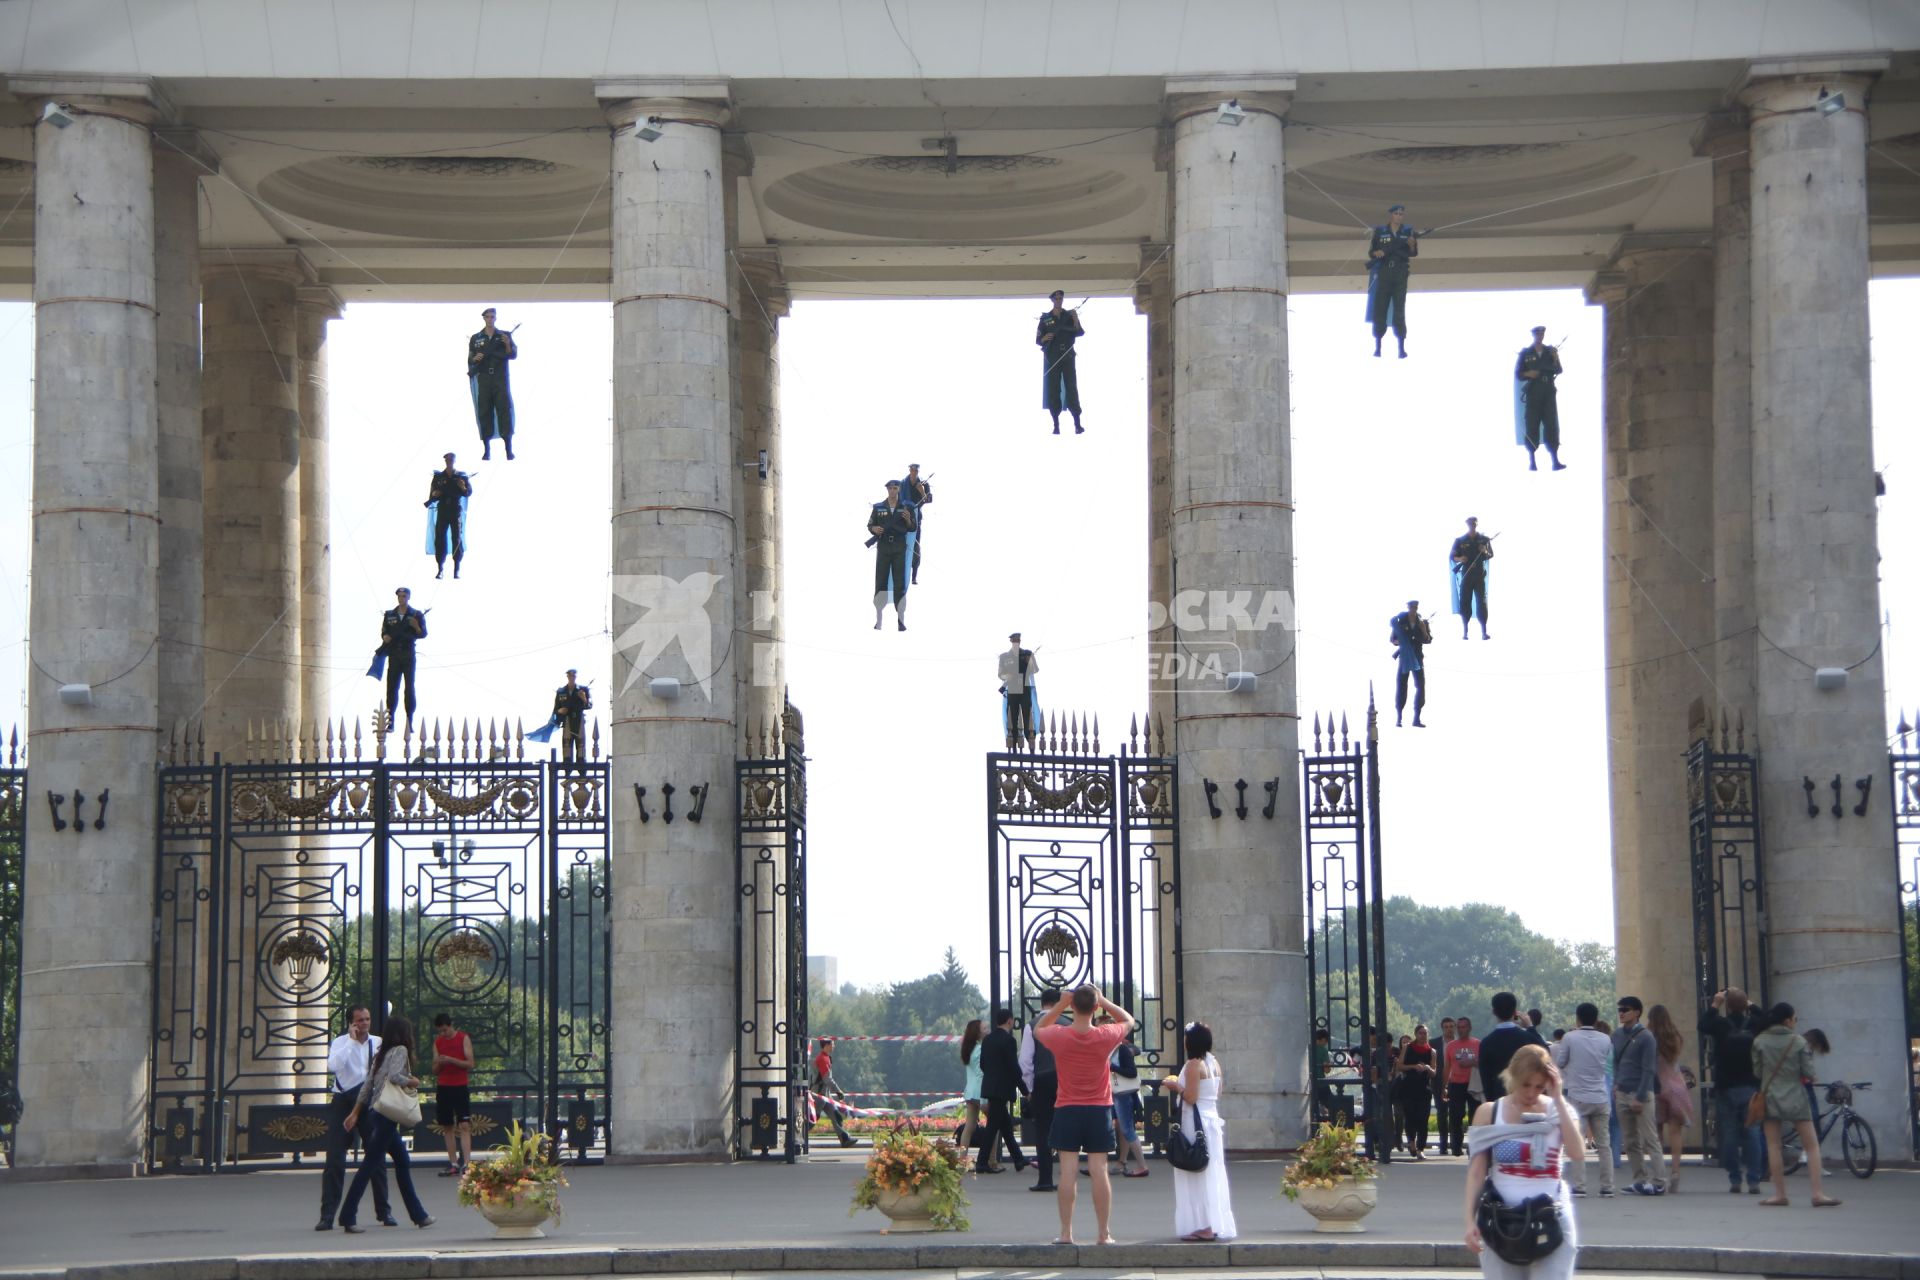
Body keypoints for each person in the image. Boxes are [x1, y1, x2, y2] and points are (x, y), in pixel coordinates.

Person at [1463, 1044, 1583, 1280]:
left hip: (1550, 1216)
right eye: (1526, 1084)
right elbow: (1476, 1173)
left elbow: (1577, 1152)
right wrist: (1469, 1220)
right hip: (1501, 1219)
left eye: (1539, 1086)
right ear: (1513, 1076)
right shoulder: (1489, 1112)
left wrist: (1557, 1098)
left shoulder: (1559, 1110)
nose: (1531, 1092)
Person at [1032, 985, 1135, 1245]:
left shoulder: (1060, 1036)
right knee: (1099, 1170)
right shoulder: (1104, 1035)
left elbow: (1038, 1029)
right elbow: (1129, 1020)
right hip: (1099, 1108)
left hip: (1067, 1108)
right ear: (1095, 1007)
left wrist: (1059, 1004)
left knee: (1068, 1173)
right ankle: (1104, 1233)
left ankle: (1066, 1233)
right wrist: (1105, 1001)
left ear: (1072, 1006)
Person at [339, 1015, 434, 1231]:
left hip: (376, 1111)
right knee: (370, 1165)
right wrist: (413, 1081)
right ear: (403, 1034)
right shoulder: (400, 1050)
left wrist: (355, 1113)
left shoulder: (380, 1054)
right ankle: (348, 1215)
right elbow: (395, 1077)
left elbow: (367, 1086)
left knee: (401, 1160)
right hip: (387, 1116)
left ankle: (419, 1214)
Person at [1752, 1003, 1840, 1208]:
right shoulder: (1798, 1041)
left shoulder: (1759, 1041)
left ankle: (1780, 1194)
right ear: (1787, 1021)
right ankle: (1818, 1194)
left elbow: (1757, 1072)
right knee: (1811, 1145)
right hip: (1796, 1097)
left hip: (1770, 1096)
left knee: (1774, 1145)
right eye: (1795, 1018)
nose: (1795, 1022)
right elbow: (1809, 1073)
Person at [317, 1005, 391, 1231]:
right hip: (343, 1102)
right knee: (335, 1160)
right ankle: (327, 1215)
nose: (364, 1024)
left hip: (368, 1104)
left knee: (376, 1157)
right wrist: (351, 1041)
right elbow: (333, 1067)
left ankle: (384, 1212)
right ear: (351, 1023)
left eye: (367, 1019)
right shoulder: (340, 1043)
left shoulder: (377, 1043)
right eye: (359, 1020)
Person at [1164, 1019, 1238, 1241]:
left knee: (1195, 1169)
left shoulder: (1194, 1065)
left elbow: (1190, 1097)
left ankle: (1203, 1224)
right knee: (1210, 1169)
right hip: (1211, 1119)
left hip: (1193, 1122)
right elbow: (1217, 1093)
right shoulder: (1213, 1063)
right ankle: (1212, 1222)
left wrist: (1175, 1085)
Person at [1549, 1002, 1614, 1198]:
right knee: (1604, 1144)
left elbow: (1560, 1062)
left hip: (1578, 1097)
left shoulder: (1570, 1037)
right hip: (1600, 1096)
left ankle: (1580, 1185)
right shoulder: (1605, 1039)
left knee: (1577, 1142)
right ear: (1596, 1019)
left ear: (1577, 1018)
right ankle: (1607, 1186)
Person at [1611, 995, 1665, 1195]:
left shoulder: (1646, 1037)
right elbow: (1615, 1061)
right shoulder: (1616, 1035)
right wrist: (1616, 1083)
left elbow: (1649, 1069)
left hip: (1641, 1093)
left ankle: (1659, 1181)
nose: (1621, 1013)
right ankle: (1639, 1179)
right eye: (1619, 1009)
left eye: (1625, 1009)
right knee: (1630, 1140)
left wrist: (1640, 1096)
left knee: (1650, 1139)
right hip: (1622, 1092)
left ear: (1637, 1012)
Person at [1018, 987, 1063, 1192]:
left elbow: (1025, 1061)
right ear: (1059, 1003)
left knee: (1043, 1129)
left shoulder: (1032, 1025)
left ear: (1043, 1003)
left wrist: (1029, 1089)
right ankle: (1068, 1176)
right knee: (1066, 1127)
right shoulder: (1068, 1024)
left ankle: (1045, 1178)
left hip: (1042, 1080)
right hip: (1066, 1081)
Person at [976, 1008, 1028, 1175]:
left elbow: (983, 1064)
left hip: (990, 1086)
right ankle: (981, 1162)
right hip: (1002, 1088)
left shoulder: (988, 1040)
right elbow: (1014, 1067)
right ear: (1009, 1021)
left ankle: (1018, 1158)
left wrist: (992, 1075)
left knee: (1005, 1125)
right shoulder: (1009, 1040)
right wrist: (1025, 1090)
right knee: (992, 1127)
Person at [1648, 1004, 1693, 1192]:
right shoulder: (1675, 1037)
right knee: (1676, 1133)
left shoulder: (1649, 1038)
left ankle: (1659, 1173)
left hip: (1657, 1087)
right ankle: (1675, 1171)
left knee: (1656, 1135)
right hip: (1677, 1087)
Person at [1365, 204, 1418, 358]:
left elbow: (1413, 253)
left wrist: (1412, 245)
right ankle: (1378, 345)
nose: (1399, 216)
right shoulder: (1380, 232)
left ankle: (1401, 346)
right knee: (1380, 307)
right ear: (1391, 215)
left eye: (1401, 214)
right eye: (1396, 214)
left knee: (1399, 310)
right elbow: (1371, 252)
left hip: (1400, 273)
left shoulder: (1408, 231)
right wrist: (1377, 252)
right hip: (1385, 272)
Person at [372, 587, 427, 730]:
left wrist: (416, 627)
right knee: (392, 687)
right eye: (399, 596)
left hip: (408, 653)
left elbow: (423, 634)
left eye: (404, 596)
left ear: (408, 597)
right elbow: (384, 631)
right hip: (394, 654)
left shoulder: (416, 614)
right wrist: (385, 637)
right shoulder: (390, 614)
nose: (401, 598)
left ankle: (410, 720)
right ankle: (391, 721)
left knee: (409, 688)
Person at [467, 307, 517, 460]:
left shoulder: (503, 335)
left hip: (499, 378)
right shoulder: (476, 338)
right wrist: (476, 358)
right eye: (487, 317)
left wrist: (507, 344)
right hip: (484, 379)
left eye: (492, 317)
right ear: (484, 318)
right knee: (484, 411)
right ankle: (486, 449)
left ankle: (508, 448)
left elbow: (513, 355)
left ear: (495, 318)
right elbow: (470, 359)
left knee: (504, 410)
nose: (490, 319)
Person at [1479, 992, 1547, 1103]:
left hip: (1499, 1097)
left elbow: (1485, 1077)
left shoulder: (1486, 1042)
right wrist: (1530, 1027)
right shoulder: (1527, 1037)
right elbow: (1545, 1053)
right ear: (1515, 1012)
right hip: (1527, 1096)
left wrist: (1491, 1102)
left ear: (1494, 1012)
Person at [1515, 325, 1565, 472]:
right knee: (1532, 424)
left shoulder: (1550, 351)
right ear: (1533, 335)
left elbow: (1559, 369)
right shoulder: (1526, 353)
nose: (1540, 336)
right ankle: (1532, 461)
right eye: (1537, 333)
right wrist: (1529, 373)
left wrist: (1555, 358)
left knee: (1551, 425)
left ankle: (1555, 460)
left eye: (1542, 333)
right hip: (1533, 394)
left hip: (1548, 393)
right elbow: (1519, 374)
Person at [430, 1012, 474, 1177]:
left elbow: (470, 1063)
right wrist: (440, 1063)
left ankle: (467, 1163)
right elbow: (434, 1070)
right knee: (447, 1126)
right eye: (440, 1031)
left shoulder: (463, 1038)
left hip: (460, 1086)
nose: (443, 1034)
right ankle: (453, 1163)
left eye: (445, 1030)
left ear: (450, 1026)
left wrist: (452, 1060)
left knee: (464, 1125)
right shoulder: (438, 1042)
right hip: (444, 1086)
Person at [867, 479, 914, 632]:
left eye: (895, 488)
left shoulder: (906, 507)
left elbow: (913, 527)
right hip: (884, 548)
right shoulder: (878, 507)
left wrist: (907, 520)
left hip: (899, 548)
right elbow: (870, 525)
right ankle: (878, 617)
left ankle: (901, 620)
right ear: (887, 490)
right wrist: (874, 529)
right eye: (890, 488)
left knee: (899, 583)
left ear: (899, 489)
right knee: (880, 581)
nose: (893, 491)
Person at [1036, 289, 1085, 434]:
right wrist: (1046, 338)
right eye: (1056, 299)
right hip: (1053, 357)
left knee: (1071, 388)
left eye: (1060, 298)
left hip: (1068, 356)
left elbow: (1079, 332)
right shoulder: (1045, 319)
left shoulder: (1068, 315)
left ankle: (1077, 422)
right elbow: (1038, 340)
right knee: (1053, 389)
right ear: (1052, 300)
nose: (1059, 301)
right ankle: (1056, 424)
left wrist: (1075, 318)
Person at [424, 453, 471, 580]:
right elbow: (432, 495)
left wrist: (462, 487)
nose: (449, 461)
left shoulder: (461, 476)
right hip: (443, 510)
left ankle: (457, 569)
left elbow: (468, 493)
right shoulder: (439, 477)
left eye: (451, 459)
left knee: (457, 539)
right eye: (447, 459)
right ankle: (440, 568)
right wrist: (435, 493)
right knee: (440, 539)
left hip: (455, 510)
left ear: (454, 461)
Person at [1110, 1028, 1149, 1178]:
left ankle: (1142, 1165)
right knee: (1123, 1128)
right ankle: (1125, 1162)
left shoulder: (1122, 1049)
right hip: (1117, 1093)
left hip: (1123, 1094)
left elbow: (1132, 1072)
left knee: (1127, 1129)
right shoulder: (1112, 1050)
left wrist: (1113, 1067)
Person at [1441, 1015, 1481, 1157]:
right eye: (1459, 1027)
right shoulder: (1451, 1046)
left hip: (1473, 1085)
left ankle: (1474, 1146)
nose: (1461, 1030)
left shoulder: (1477, 1044)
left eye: (1464, 1027)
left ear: (1469, 1028)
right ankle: (1456, 1147)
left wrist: (1472, 1062)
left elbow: (1483, 1064)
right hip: (1456, 1084)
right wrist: (1444, 1086)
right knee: (1455, 1116)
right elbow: (1447, 1067)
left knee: (1474, 1117)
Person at [1398, 1023, 1439, 1159]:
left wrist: (1427, 1067)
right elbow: (1400, 1066)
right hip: (1408, 1087)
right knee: (1410, 1117)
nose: (1423, 1036)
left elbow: (1434, 1073)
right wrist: (1413, 1066)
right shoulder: (1407, 1048)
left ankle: (1421, 1148)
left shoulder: (1432, 1051)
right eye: (1420, 1033)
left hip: (1424, 1089)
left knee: (1423, 1119)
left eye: (1425, 1033)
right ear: (1416, 1034)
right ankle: (1411, 1142)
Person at [1390, 600, 1431, 728]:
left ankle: (1416, 718)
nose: (1413, 610)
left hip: (1417, 658)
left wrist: (1423, 630)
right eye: (1411, 607)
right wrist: (1402, 642)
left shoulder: (1421, 622)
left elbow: (1428, 640)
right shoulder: (1401, 622)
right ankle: (1399, 717)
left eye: (1415, 607)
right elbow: (1393, 639)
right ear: (1408, 608)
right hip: (1405, 657)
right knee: (1401, 686)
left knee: (1420, 686)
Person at [809, 1038, 857, 1148]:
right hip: (819, 1094)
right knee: (813, 1118)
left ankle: (845, 1139)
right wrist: (838, 1091)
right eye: (832, 1044)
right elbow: (827, 1079)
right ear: (826, 1045)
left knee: (836, 1116)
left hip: (824, 1093)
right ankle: (796, 1139)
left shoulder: (824, 1058)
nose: (834, 1046)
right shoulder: (823, 1059)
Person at [999, 632, 1040, 750]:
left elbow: (1035, 669)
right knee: (1012, 717)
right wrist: (1008, 676)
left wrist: (1029, 662)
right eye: (1014, 640)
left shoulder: (1027, 653)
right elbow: (1001, 674)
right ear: (1011, 641)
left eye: (1018, 640)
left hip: (1025, 688)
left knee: (1027, 717)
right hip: (1012, 689)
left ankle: (1030, 740)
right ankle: (1014, 744)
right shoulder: (1004, 657)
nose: (1016, 642)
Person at [957, 1018, 986, 1166]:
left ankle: (962, 1159)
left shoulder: (968, 1050)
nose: (986, 1030)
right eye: (983, 1028)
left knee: (969, 1127)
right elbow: (984, 1071)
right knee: (993, 1126)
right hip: (981, 1092)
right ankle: (990, 1159)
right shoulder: (981, 1049)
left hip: (970, 1091)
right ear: (977, 1032)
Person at [899, 464, 932, 585]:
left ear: (918, 472)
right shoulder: (902, 483)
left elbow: (928, 500)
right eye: (912, 470)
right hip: (903, 518)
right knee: (901, 545)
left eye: (916, 471)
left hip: (916, 520)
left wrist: (922, 492)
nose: (914, 473)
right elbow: (898, 500)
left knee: (916, 546)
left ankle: (914, 575)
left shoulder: (924, 484)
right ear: (909, 470)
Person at [551, 669, 593, 763]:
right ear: (567, 677)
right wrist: (560, 710)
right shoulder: (561, 691)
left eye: (573, 676)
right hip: (567, 721)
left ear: (575, 677)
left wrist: (584, 698)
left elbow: (590, 705)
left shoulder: (583, 690)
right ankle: (567, 768)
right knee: (567, 746)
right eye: (570, 676)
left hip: (579, 721)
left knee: (581, 746)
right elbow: (556, 709)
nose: (572, 678)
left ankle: (582, 769)